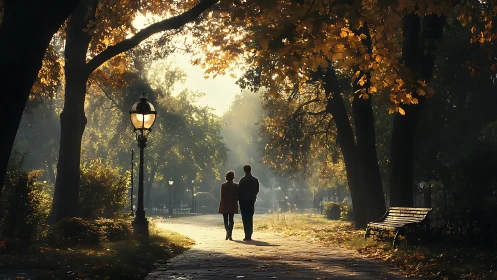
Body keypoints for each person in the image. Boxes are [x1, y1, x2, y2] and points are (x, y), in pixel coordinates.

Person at [238, 164, 259, 241]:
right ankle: (250, 232)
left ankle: (247, 234)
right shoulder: (255, 180)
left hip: (243, 201)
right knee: (250, 216)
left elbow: (239, 191)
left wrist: (238, 198)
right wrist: (253, 196)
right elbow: (257, 190)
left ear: (244, 170)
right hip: (251, 200)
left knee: (244, 217)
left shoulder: (242, 180)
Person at [218, 170, 239, 240]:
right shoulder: (236, 186)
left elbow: (222, 196)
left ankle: (227, 230)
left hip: (225, 204)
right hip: (232, 204)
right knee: (231, 219)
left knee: (225, 220)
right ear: (233, 177)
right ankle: (230, 233)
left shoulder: (223, 185)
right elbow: (237, 196)